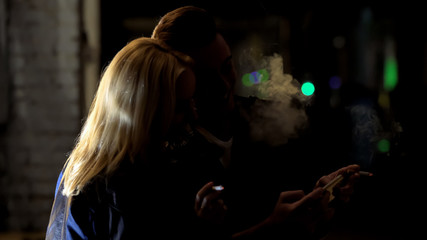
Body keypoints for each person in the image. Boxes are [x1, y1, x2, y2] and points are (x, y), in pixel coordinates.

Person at [152, 5, 362, 239]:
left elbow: (301, 218)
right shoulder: (167, 155)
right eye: (206, 78)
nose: (224, 86)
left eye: (227, 67)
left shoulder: (263, 119)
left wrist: (320, 197)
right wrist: (273, 227)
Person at [45, 37, 231, 239]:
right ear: (144, 112)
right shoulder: (103, 189)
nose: (193, 116)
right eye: (179, 107)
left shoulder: (169, 165)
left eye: (192, 102)